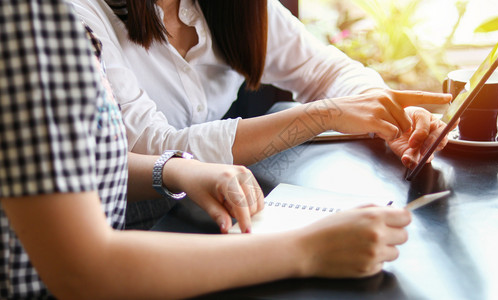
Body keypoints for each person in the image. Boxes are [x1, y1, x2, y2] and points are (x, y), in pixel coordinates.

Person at [0, 1, 411, 298]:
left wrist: (173, 169)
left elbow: (81, 160)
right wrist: (308, 249)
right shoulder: (45, 24)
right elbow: (83, 272)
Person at [69, 0, 451, 229]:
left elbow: (324, 70)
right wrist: (322, 115)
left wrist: (384, 112)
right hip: (120, 222)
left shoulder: (228, 8)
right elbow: (152, 149)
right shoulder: (78, 16)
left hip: (216, 204)